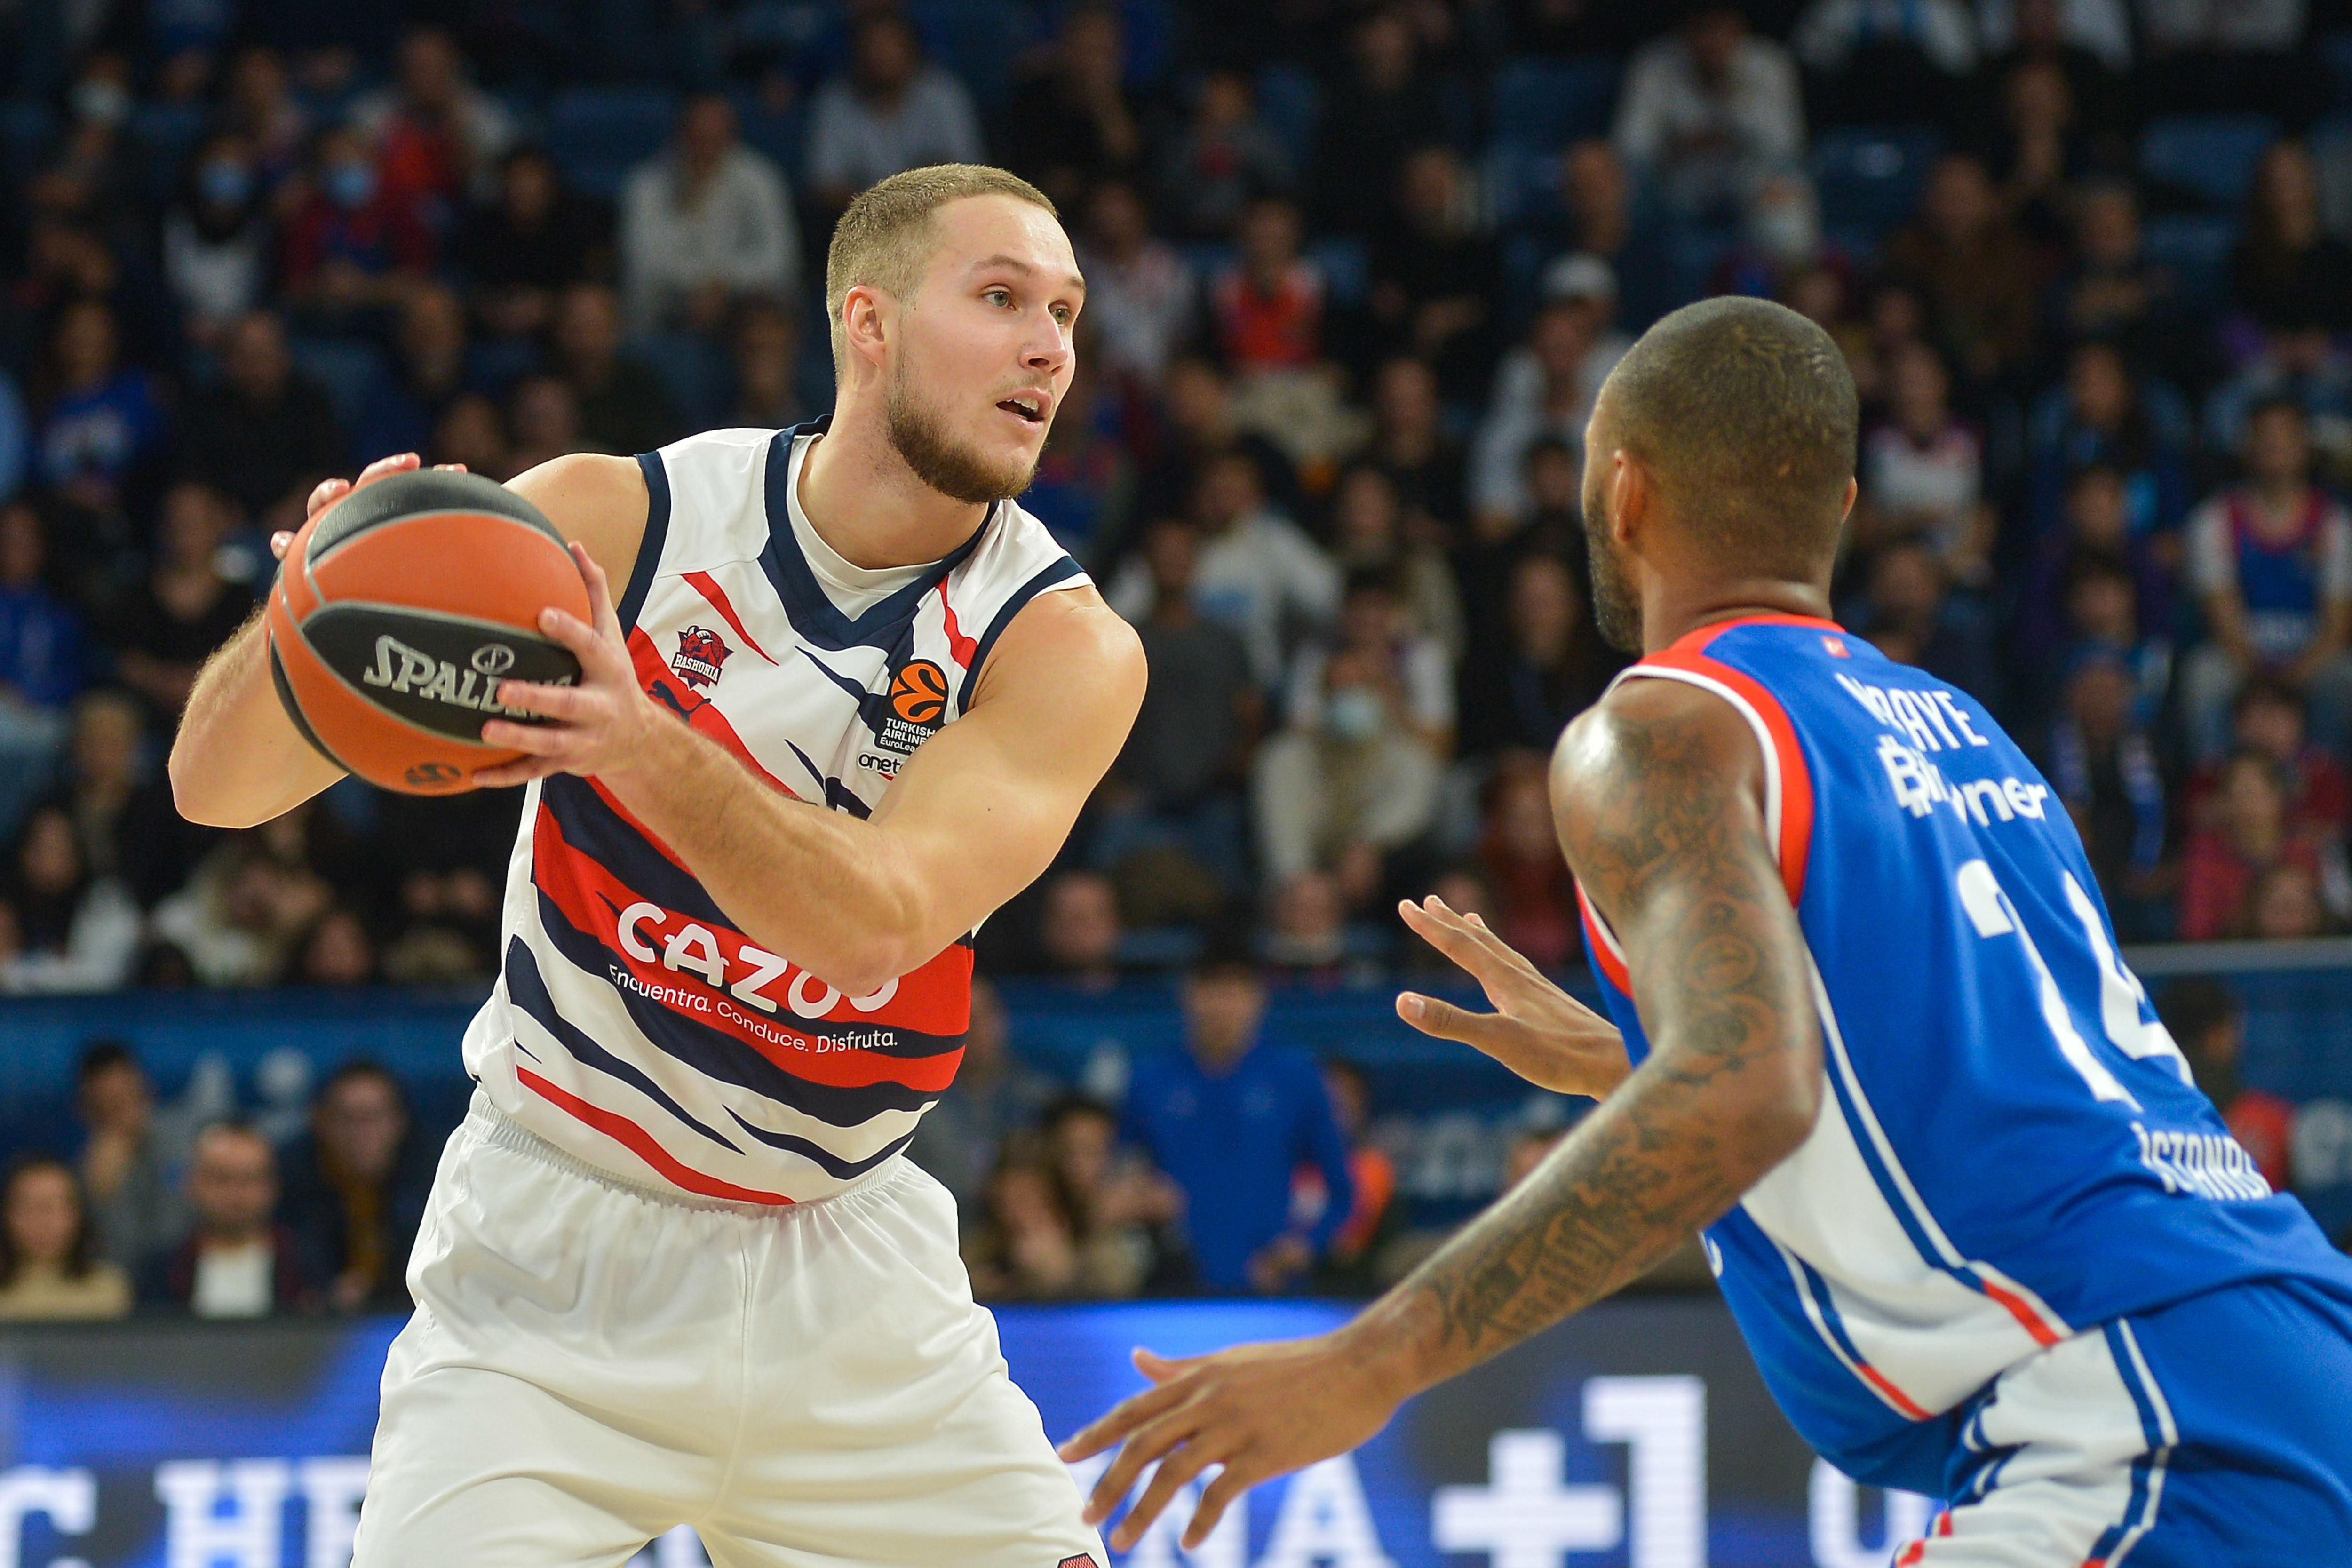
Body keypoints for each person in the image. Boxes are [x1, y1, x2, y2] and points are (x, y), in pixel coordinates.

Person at [1066, 297, 2352, 1561]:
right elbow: (1973, 1089)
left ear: (1624, 494)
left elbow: (1746, 1088)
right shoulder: (1967, 731)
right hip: (2288, 1347)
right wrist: (1634, 1067)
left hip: (2145, 1416)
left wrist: (1371, 1356)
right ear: (1843, 511)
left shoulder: (1663, 724)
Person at [167, 163, 1144, 1565]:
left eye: (1065, 311)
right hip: (553, 1257)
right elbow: (213, 787)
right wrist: (309, 610)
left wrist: (633, 737)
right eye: (1000, 299)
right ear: (864, 325)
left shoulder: (1060, 642)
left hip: (848, 1275)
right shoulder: (618, 521)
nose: (1050, 346)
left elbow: (873, 931)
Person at [1121, 950, 1354, 1294]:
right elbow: (1123, 1173)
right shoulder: (1150, 1079)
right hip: (1173, 1290)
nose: (1221, 1005)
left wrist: (1304, 1246)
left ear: (1258, 998)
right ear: (1188, 994)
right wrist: (1141, 1196)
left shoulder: (1295, 1076)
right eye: (1210, 988)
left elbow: (1342, 1189)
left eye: (1235, 990)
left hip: (1270, 1290)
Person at [619, 93, 800, 336]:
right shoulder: (646, 185)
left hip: (743, 305)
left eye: (715, 138)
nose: (706, 147)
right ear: (680, 135)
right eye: (698, 138)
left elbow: (779, 258)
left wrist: (723, 285)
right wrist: (699, 287)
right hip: (669, 309)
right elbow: (644, 262)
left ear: (732, 136)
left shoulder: (760, 179)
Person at [276, 1060, 436, 1313]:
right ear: (321, 1122)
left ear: (400, 1121)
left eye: (373, 1118)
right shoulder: (289, 1185)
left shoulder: (435, 1180)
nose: (361, 1133)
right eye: (347, 1118)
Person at [138, 1122, 311, 1318]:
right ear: (192, 1184)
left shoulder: (307, 1267)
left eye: (249, 1179)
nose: (235, 1194)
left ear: (273, 1187)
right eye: (222, 1179)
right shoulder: (160, 1274)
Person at [74, 1041, 186, 1272]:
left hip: (186, 1278)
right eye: (112, 1106)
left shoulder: (187, 1142)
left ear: (148, 1090)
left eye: (132, 1098)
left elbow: (177, 1235)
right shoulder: (86, 1172)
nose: (126, 1115)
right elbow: (113, 1258)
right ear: (87, 1112)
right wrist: (104, 1196)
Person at [0, 1155, 132, 1321]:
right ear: (7, 1214)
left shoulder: (107, 1288)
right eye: (29, 1207)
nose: (42, 1222)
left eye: (53, 1206)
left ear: (78, 1214)